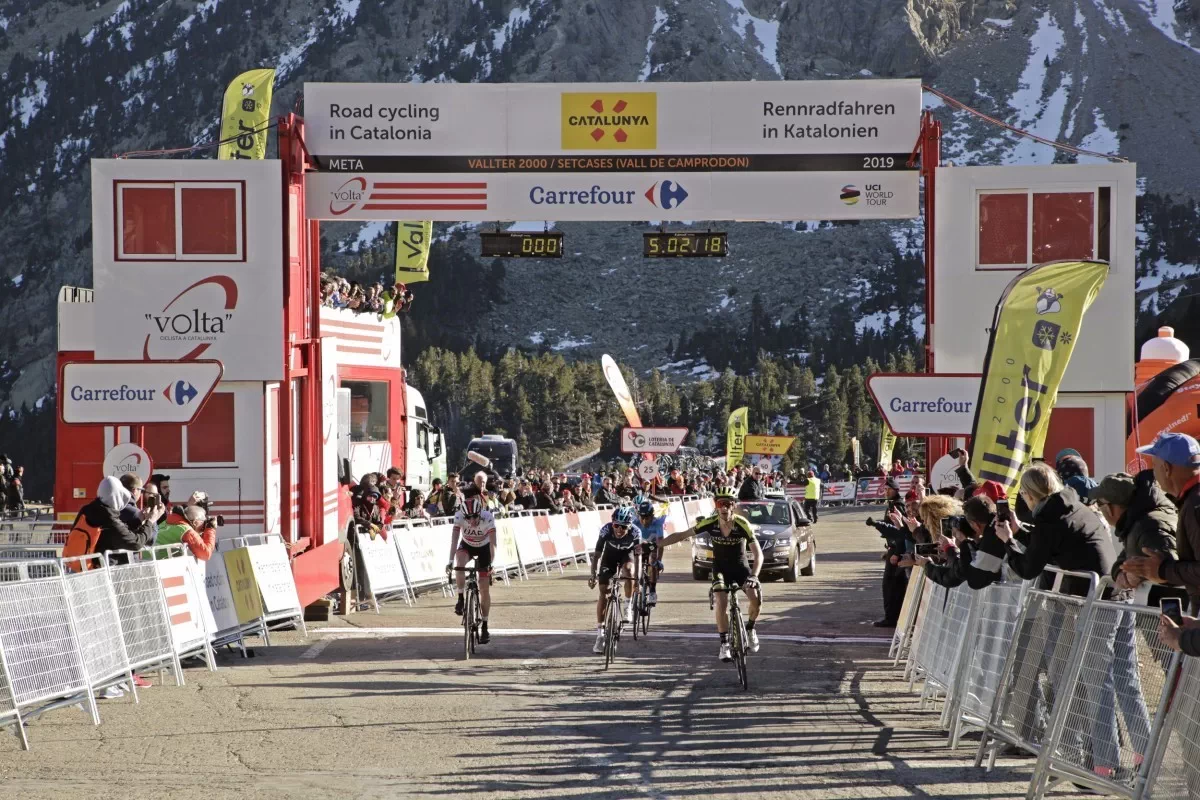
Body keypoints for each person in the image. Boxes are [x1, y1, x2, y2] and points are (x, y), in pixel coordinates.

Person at [659, 486, 763, 662]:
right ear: (716, 505)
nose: (724, 508)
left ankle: (751, 628)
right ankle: (724, 644)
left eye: (728, 504)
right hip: (720, 568)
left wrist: (754, 576)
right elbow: (683, 534)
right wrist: (657, 545)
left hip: (740, 568)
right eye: (720, 504)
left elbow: (758, 554)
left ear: (733, 505)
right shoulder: (710, 522)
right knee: (721, 601)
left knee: (756, 598)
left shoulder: (742, 524)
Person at [995, 462, 1116, 594]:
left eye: (1022, 493)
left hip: (1091, 594)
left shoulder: (1049, 519)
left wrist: (1007, 540)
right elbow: (1043, 546)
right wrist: (1017, 531)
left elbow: (1027, 569)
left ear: (1030, 495)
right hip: (1109, 586)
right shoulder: (1071, 506)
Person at [1122, 433, 1200, 605]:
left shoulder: (1195, 504)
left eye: (1154, 465)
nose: (1153, 473)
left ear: (1166, 468)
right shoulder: (1191, 500)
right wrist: (1162, 569)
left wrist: (1163, 570)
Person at [1093, 471, 1182, 605]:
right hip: (1158, 614)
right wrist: (1121, 574)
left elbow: (1176, 570)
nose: (1099, 509)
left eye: (1099, 504)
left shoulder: (1149, 526)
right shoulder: (1134, 524)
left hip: (1170, 614)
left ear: (1111, 508)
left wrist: (1148, 573)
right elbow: (1124, 560)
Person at [587, 505, 644, 654]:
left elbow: (638, 558)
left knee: (629, 570)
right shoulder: (606, 530)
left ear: (629, 526)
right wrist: (593, 574)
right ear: (612, 523)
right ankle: (600, 635)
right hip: (609, 557)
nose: (619, 530)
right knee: (603, 593)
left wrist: (637, 580)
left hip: (627, 555)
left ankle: (627, 605)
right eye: (616, 526)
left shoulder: (636, 532)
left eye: (623, 527)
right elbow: (597, 554)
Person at [446, 496, 497, 645]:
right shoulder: (459, 516)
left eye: (475, 516)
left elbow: (493, 544)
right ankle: (461, 599)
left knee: (484, 587)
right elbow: (454, 541)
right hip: (467, 544)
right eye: (468, 517)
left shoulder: (488, 518)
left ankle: (485, 626)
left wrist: (492, 564)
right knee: (459, 562)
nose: (472, 520)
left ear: (480, 513)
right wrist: (450, 562)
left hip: (484, 549)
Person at [82, 476, 161, 558]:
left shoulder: (86, 509)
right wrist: (151, 521)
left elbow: (121, 531)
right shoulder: (110, 518)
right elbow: (136, 543)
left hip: (82, 563)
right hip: (104, 567)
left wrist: (138, 520)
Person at [637, 499, 667, 606]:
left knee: (653, 561)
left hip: (653, 546)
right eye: (642, 518)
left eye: (647, 518)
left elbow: (661, 544)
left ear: (652, 516)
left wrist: (659, 560)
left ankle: (653, 591)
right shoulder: (634, 522)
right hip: (640, 546)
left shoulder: (658, 523)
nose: (644, 521)